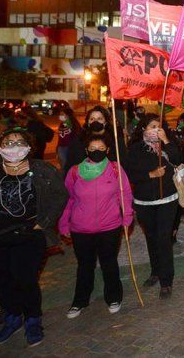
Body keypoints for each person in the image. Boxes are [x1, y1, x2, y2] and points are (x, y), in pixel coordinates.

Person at [0, 128, 68, 347]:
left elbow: (60, 195)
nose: (14, 147)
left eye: (19, 142)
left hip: (27, 235)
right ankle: (12, 318)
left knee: (25, 279)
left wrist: (44, 222)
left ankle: (32, 320)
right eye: (8, 143)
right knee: (3, 281)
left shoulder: (42, 170)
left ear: (29, 147)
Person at [58, 135, 133, 318]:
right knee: (84, 266)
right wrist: (63, 222)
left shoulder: (115, 169)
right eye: (92, 148)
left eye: (101, 148)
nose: (96, 151)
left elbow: (125, 194)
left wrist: (127, 217)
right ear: (86, 151)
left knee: (109, 263)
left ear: (107, 150)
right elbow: (68, 199)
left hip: (109, 226)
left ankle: (114, 297)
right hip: (81, 228)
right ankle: (80, 301)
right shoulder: (75, 172)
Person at [125, 114, 181, 299]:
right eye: (152, 126)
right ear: (144, 129)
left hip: (167, 199)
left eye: (159, 126)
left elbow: (178, 160)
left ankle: (166, 281)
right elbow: (129, 174)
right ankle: (155, 271)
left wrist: (166, 141)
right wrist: (150, 175)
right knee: (151, 237)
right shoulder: (135, 149)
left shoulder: (168, 144)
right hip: (145, 201)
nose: (156, 130)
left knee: (164, 238)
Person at [64, 106, 127, 176]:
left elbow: (123, 162)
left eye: (99, 119)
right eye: (92, 119)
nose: (95, 121)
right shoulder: (79, 141)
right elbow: (70, 164)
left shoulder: (115, 141)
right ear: (88, 123)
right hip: (85, 178)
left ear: (106, 122)